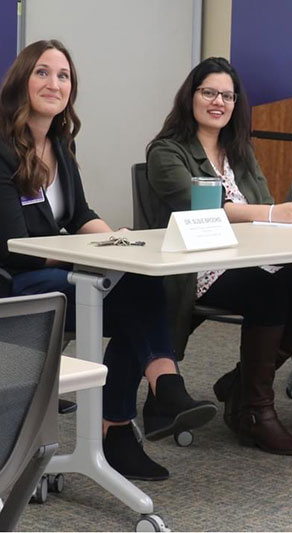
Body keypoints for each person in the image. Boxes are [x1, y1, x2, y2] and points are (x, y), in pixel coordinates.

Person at [0, 39, 217, 481]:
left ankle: (117, 427)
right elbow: (12, 244)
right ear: (21, 80)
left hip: (54, 273)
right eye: (42, 72)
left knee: (138, 290)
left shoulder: (60, 146)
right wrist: (89, 260)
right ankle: (155, 396)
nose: (53, 83)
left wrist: (122, 243)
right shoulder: (3, 148)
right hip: (12, 281)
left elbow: (79, 215)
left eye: (63, 76)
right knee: (133, 296)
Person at [146, 57, 292, 455]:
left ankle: (241, 385)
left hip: (248, 256)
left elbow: (261, 202)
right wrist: (269, 214)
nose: (218, 102)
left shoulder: (239, 151)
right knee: (269, 291)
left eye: (227, 96)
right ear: (190, 97)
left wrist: (274, 216)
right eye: (209, 92)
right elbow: (202, 208)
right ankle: (256, 412)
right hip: (196, 264)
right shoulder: (166, 151)